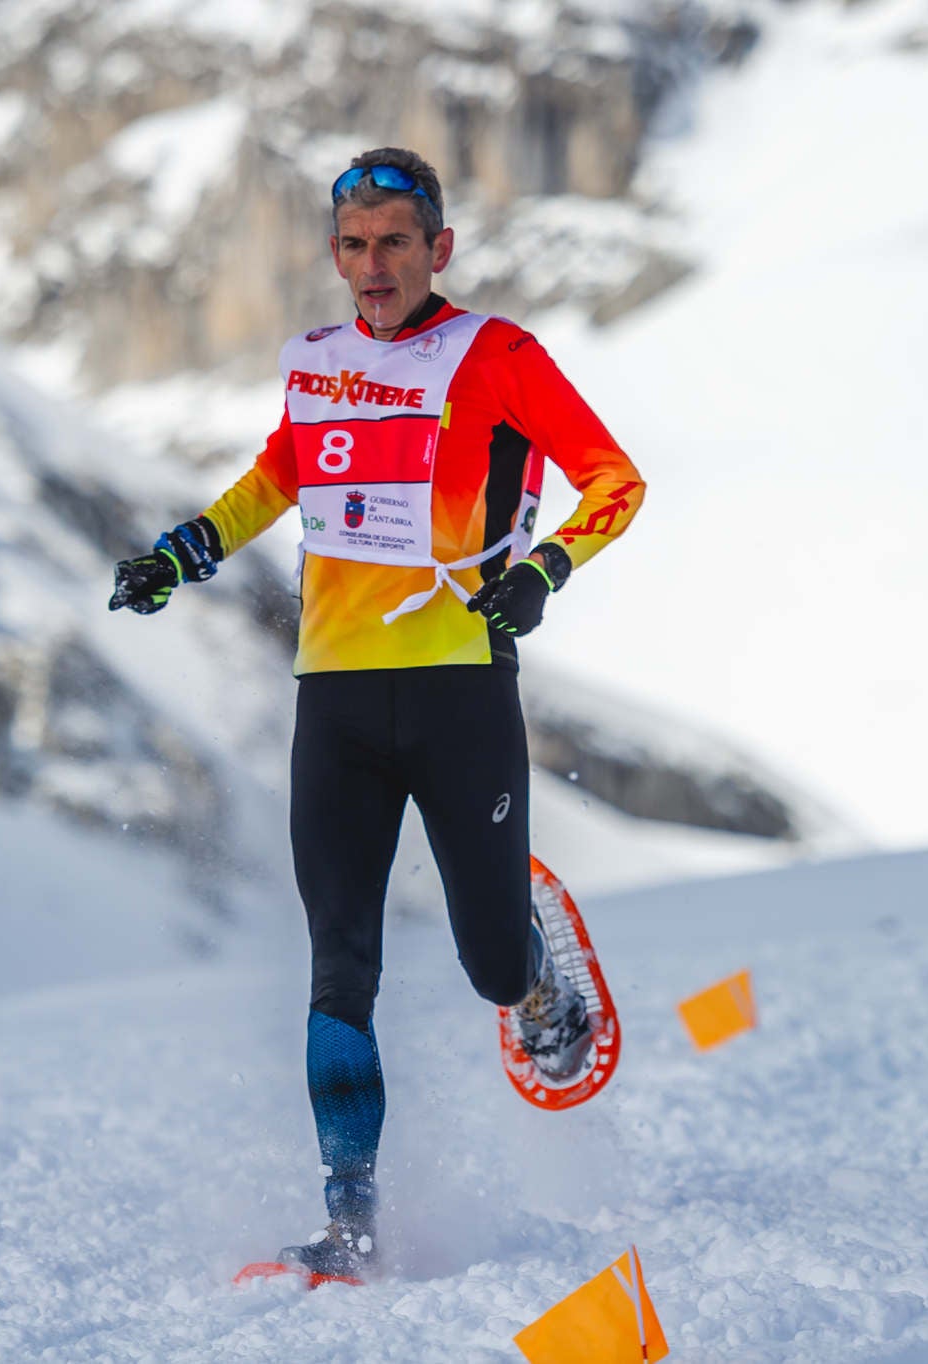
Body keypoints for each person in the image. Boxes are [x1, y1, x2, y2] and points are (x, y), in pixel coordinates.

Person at [107, 148, 646, 1280]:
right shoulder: (315, 362)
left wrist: (542, 569)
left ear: (437, 248)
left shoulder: (494, 355)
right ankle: (349, 1225)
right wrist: (181, 552)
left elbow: (613, 480)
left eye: (395, 242)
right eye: (352, 246)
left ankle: (535, 975)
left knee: (488, 964)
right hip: (336, 702)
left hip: (460, 693)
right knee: (336, 963)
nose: (372, 267)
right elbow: (280, 474)